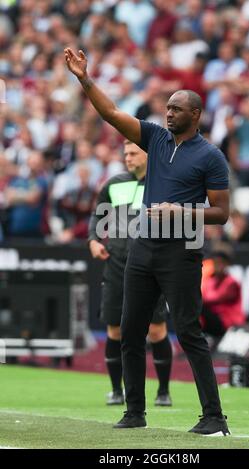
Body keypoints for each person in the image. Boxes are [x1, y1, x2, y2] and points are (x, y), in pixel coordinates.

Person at [65, 47, 230, 436]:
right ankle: (135, 412)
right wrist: (85, 79)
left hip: (182, 250)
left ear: (196, 115)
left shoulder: (211, 156)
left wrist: (180, 213)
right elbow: (110, 114)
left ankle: (214, 418)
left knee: (188, 331)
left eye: (176, 108)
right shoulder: (154, 137)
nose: (168, 113)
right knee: (130, 328)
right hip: (143, 247)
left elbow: (222, 213)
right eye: (167, 108)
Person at [88, 140, 173, 406]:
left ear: (149, 155)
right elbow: (97, 215)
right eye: (125, 153)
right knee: (114, 328)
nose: (128, 158)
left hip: (151, 266)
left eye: (134, 153)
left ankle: (163, 391)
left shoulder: (164, 183)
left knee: (157, 330)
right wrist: (93, 239)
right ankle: (116, 390)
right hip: (116, 263)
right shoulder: (114, 184)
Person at [201, 246, 245, 340]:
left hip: (230, 323)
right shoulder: (210, 280)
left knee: (199, 307)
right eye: (216, 263)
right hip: (216, 321)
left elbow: (214, 299)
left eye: (221, 263)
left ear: (227, 264)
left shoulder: (232, 283)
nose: (218, 266)